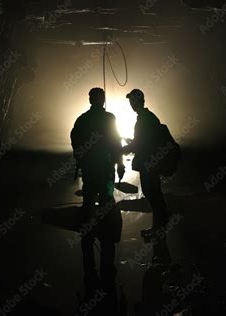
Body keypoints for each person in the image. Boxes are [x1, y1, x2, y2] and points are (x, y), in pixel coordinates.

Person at [70, 87, 125, 297]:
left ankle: (88, 231)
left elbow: (75, 141)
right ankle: (105, 233)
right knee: (106, 201)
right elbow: (115, 142)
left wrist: (82, 159)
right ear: (101, 100)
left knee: (89, 201)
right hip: (105, 169)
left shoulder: (82, 120)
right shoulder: (109, 118)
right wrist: (119, 164)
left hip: (92, 169)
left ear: (90, 99)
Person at [123, 89, 170, 234]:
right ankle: (158, 226)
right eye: (130, 101)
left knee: (153, 195)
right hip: (151, 162)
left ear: (139, 101)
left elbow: (142, 144)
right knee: (153, 194)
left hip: (149, 164)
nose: (131, 104)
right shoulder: (147, 117)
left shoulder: (144, 119)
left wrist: (124, 149)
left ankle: (160, 226)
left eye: (133, 101)